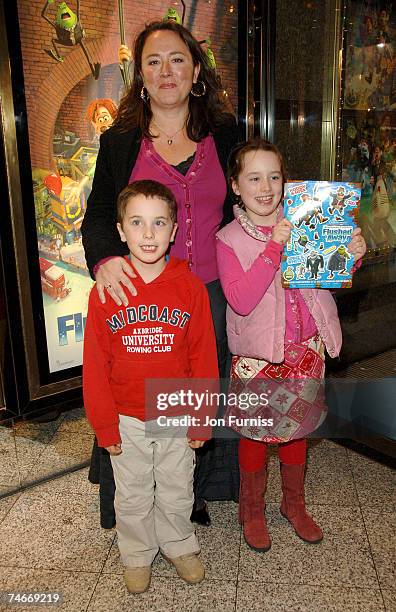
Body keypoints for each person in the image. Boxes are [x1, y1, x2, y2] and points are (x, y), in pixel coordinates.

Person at [81, 19, 241, 527]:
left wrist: (327, 237)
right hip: (140, 291)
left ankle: (188, 495)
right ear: (141, 76)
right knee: (132, 391)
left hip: (211, 292)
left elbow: (264, 195)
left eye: (177, 59)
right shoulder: (120, 141)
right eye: (153, 61)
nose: (166, 70)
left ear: (196, 69)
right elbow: (99, 213)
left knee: (197, 390)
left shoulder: (228, 133)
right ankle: (129, 497)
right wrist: (107, 261)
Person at [216, 138, 367, 552]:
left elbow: (329, 276)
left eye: (274, 176)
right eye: (254, 177)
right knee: (254, 435)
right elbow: (241, 299)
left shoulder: (308, 216)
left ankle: (293, 505)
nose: (265, 187)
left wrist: (350, 254)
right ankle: (252, 510)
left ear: (285, 181)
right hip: (257, 358)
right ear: (235, 185)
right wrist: (274, 247)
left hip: (306, 349)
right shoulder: (228, 239)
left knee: (297, 430)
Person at [83, 179, 218, 594]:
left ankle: (179, 544)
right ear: (120, 230)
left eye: (159, 223)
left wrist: (202, 417)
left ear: (174, 230)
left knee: (178, 487)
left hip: (177, 411)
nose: (147, 233)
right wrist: (104, 426)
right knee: (134, 493)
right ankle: (137, 553)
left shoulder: (190, 287)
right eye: (137, 223)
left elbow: (203, 356)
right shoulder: (105, 290)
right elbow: (95, 366)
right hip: (125, 418)